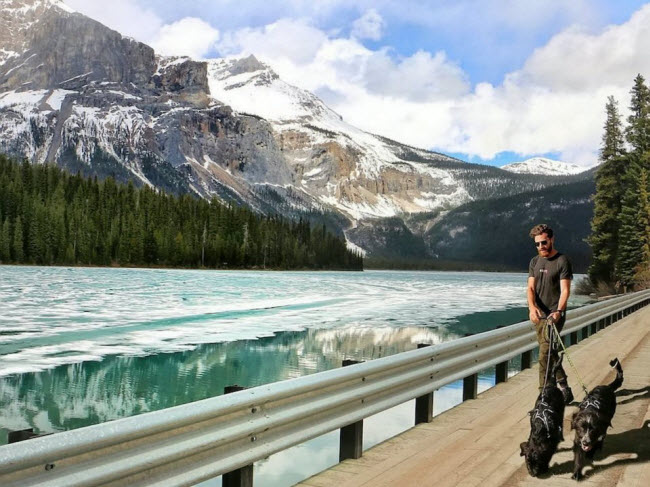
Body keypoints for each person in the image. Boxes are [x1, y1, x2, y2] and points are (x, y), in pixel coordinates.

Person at [527, 223, 574, 404]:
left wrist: (559, 311)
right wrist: (532, 308)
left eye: (544, 242)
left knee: (544, 354)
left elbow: (565, 291)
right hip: (538, 315)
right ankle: (564, 387)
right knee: (551, 352)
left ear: (552, 239)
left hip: (554, 315)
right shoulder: (534, 262)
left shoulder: (562, 261)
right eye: (537, 244)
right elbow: (530, 288)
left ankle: (543, 397)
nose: (541, 247)